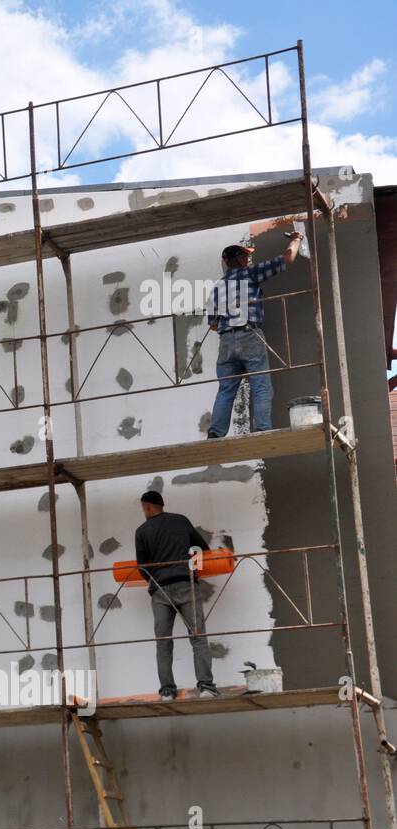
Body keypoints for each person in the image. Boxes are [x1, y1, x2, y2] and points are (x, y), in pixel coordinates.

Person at [206, 232, 303, 438]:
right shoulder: (249, 274)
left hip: (225, 341)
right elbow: (287, 258)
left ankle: (215, 433)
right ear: (240, 260)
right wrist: (296, 239)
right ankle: (261, 432)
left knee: (226, 390)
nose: (248, 260)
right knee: (261, 386)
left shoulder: (217, 288)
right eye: (246, 257)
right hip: (249, 335)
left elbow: (213, 325)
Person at [134, 490, 218, 701]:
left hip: (160, 591)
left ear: (147, 507)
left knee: (163, 642)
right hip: (185, 584)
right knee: (198, 638)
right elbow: (202, 548)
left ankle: (167, 692)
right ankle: (206, 687)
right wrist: (194, 571)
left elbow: (142, 567)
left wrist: (154, 583)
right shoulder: (181, 521)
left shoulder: (142, 531)